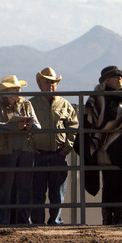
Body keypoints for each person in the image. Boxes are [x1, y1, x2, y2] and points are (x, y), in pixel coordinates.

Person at [83, 66, 122, 225]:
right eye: (115, 77)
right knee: (108, 182)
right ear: (106, 81)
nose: (119, 80)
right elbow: (88, 121)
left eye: (121, 77)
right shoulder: (96, 98)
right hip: (104, 148)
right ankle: (108, 218)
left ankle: (121, 219)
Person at [29, 67, 78, 226]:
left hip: (59, 154)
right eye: (47, 82)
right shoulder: (30, 104)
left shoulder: (65, 104)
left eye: (53, 82)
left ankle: (54, 221)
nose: (51, 85)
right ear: (39, 84)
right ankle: (37, 222)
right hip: (38, 155)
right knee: (37, 193)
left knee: (57, 194)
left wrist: (66, 149)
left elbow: (73, 127)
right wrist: (31, 147)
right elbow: (24, 128)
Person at [0, 75, 40, 225]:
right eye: (14, 88)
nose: (17, 91)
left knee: (25, 187)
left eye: (18, 88)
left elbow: (38, 126)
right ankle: (4, 220)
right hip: (6, 150)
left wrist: (29, 126)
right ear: (6, 90)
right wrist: (14, 126)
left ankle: (23, 219)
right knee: (4, 188)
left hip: (25, 149)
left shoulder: (27, 104)